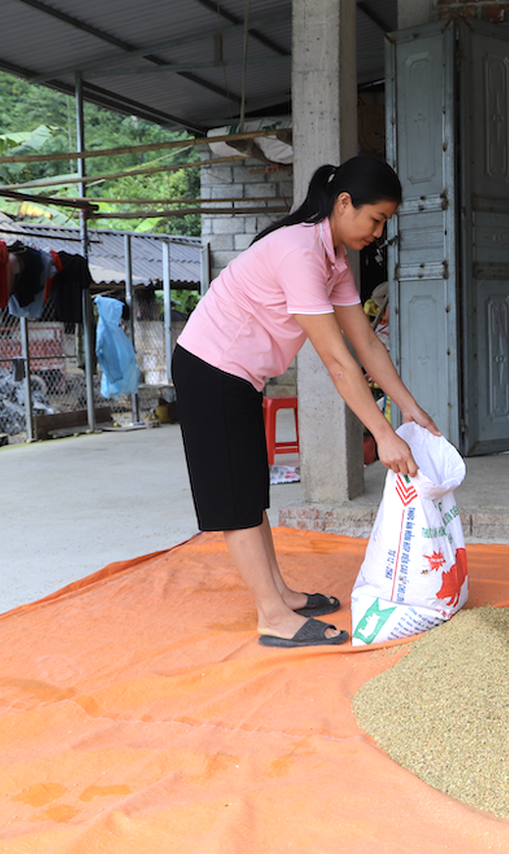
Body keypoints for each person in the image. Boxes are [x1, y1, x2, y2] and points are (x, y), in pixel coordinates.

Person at [172, 154, 439, 649]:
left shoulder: (332, 258)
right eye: (375, 218)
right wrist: (382, 434)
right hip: (210, 369)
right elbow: (338, 362)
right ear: (344, 203)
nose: (378, 233)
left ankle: (280, 594)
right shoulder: (299, 253)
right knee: (235, 497)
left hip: (238, 375)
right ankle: (272, 616)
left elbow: (367, 344)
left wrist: (409, 408)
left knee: (250, 489)